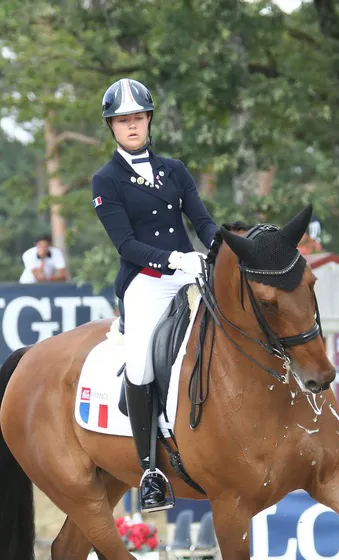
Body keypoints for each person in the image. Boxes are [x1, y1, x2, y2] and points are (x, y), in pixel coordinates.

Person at [90, 77, 218, 511]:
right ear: (112, 126)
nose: (132, 126)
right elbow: (125, 244)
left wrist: (222, 246)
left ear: (149, 121)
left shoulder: (175, 170)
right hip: (146, 279)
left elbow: (201, 221)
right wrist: (174, 261)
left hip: (189, 271)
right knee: (142, 362)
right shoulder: (105, 180)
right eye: (123, 120)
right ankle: (149, 470)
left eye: (138, 118)